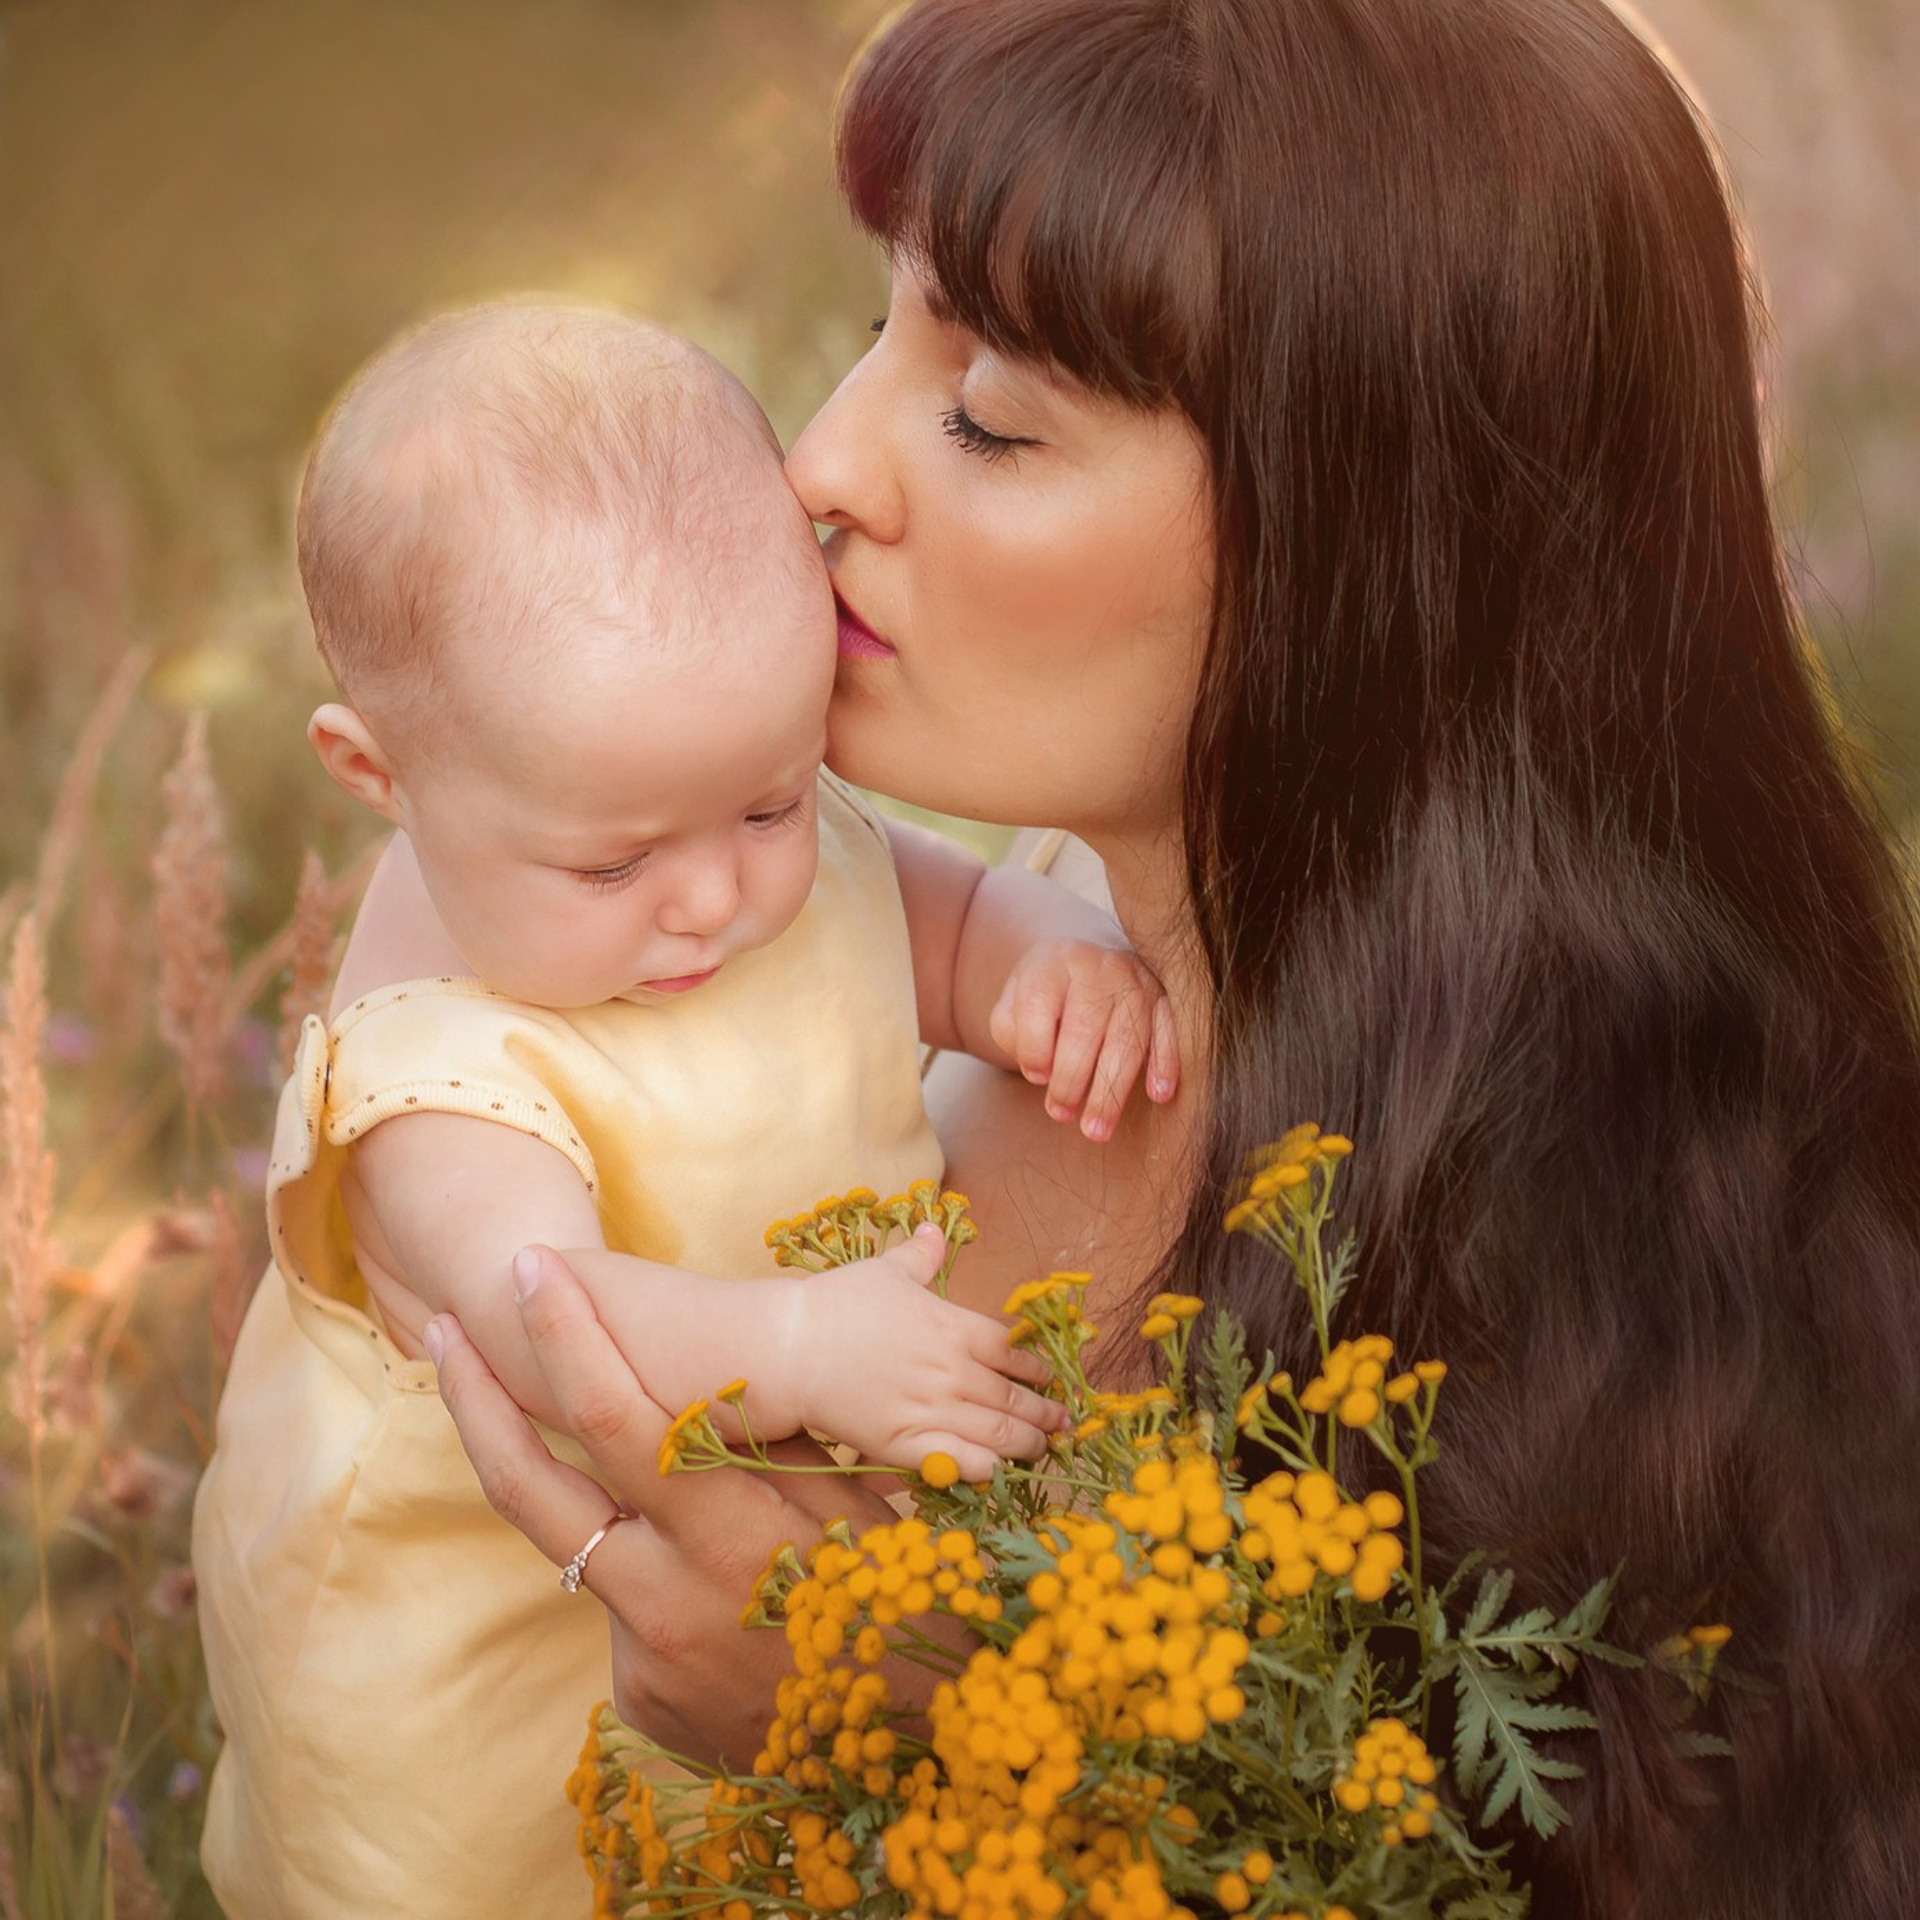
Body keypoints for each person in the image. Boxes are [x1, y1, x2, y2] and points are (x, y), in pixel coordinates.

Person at [434, 0, 1920, 1913]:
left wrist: (928, 1732)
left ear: (1377, 543)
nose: (816, 468)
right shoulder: (926, 936)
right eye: (879, 328)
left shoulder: (1614, 1307)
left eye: (991, 418)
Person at [190, 301, 1186, 1920]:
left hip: (735, 1598)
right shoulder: (435, 1081)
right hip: (485, 1675)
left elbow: (932, 922)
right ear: (379, 777)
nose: (717, 897)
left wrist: (1047, 965)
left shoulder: (716, 822)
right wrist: (804, 1353)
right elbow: (548, 1323)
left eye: (775, 798)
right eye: (613, 863)